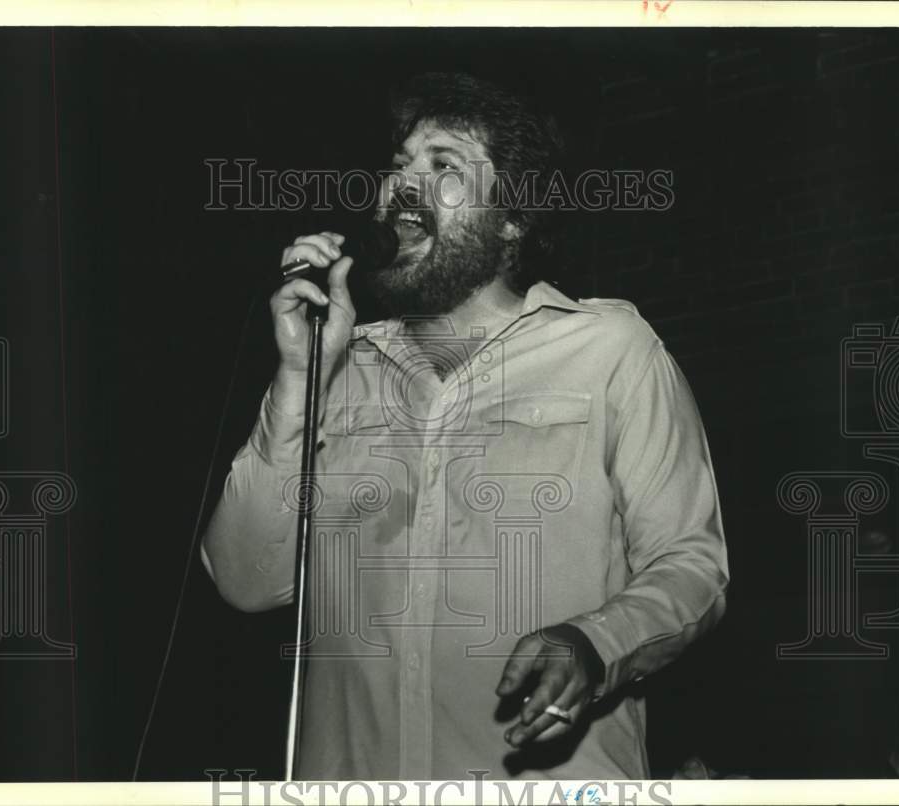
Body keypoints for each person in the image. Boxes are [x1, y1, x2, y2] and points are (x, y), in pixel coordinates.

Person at [201, 72, 729, 781]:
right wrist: (299, 377)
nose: (400, 188)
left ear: (511, 220)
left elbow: (694, 567)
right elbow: (244, 579)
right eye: (398, 168)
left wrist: (596, 643)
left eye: (443, 166)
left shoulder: (609, 350)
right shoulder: (339, 364)